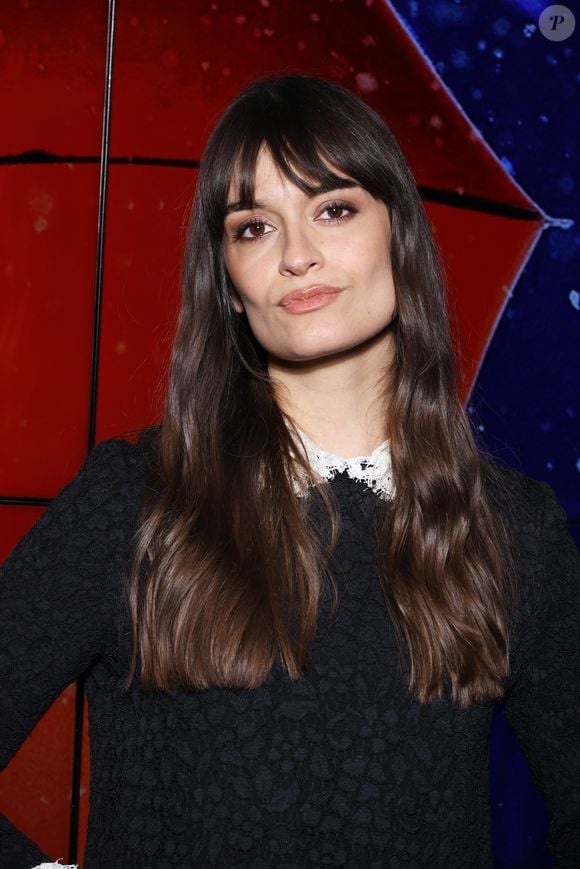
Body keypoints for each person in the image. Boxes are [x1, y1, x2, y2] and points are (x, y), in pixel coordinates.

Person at [1, 75, 579, 869]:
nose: (298, 254)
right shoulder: (137, 502)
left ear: (398, 236)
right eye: (253, 228)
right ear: (230, 287)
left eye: (333, 209)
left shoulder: (513, 528)